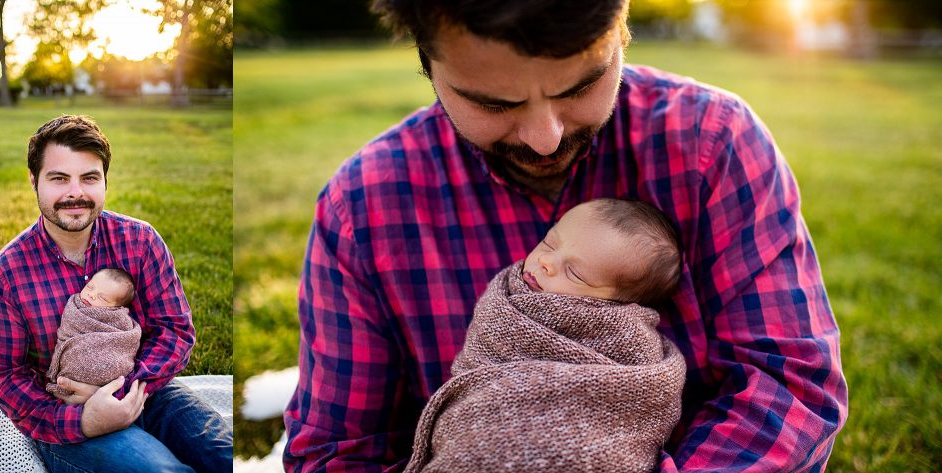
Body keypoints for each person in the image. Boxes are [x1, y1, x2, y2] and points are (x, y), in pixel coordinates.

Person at [284, 0, 848, 471]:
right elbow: (335, 452)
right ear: (427, 63)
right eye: (492, 103)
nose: (545, 138)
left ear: (621, 32)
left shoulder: (713, 143)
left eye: (581, 85)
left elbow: (789, 385)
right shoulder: (363, 207)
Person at [0, 115, 232, 472]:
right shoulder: (8, 273)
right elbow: (5, 376)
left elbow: (175, 330)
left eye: (89, 178)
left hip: (147, 389)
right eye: (59, 178)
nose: (75, 193)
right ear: (34, 181)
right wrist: (84, 419)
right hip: (65, 415)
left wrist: (122, 388)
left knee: (224, 454)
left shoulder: (140, 241)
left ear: (105, 181)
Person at [406, 198, 687, 472]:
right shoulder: (507, 298)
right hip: (479, 417)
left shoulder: (627, 337)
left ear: (616, 304)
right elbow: (480, 357)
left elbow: (643, 400)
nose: (546, 262)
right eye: (550, 243)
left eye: (574, 273)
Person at [45, 268, 140, 399]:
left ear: (115, 307)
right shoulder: (74, 306)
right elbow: (66, 331)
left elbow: (124, 340)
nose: (91, 295)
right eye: (90, 287)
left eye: (102, 297)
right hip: (73, 357)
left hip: (107, 369)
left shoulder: (117, 318)